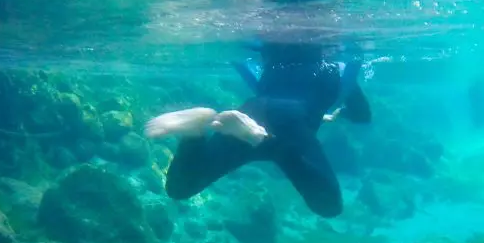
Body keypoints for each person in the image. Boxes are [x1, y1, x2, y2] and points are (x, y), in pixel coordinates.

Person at [144, 42, 371, 218]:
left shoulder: (269, 68)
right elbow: (363, 116)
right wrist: (342, 111)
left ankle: (192, 134)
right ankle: (260, 140)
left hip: (253, 110)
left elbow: (274, 92)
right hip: (286, 124)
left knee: (180, 189)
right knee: (329, 205)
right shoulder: (339, 69)